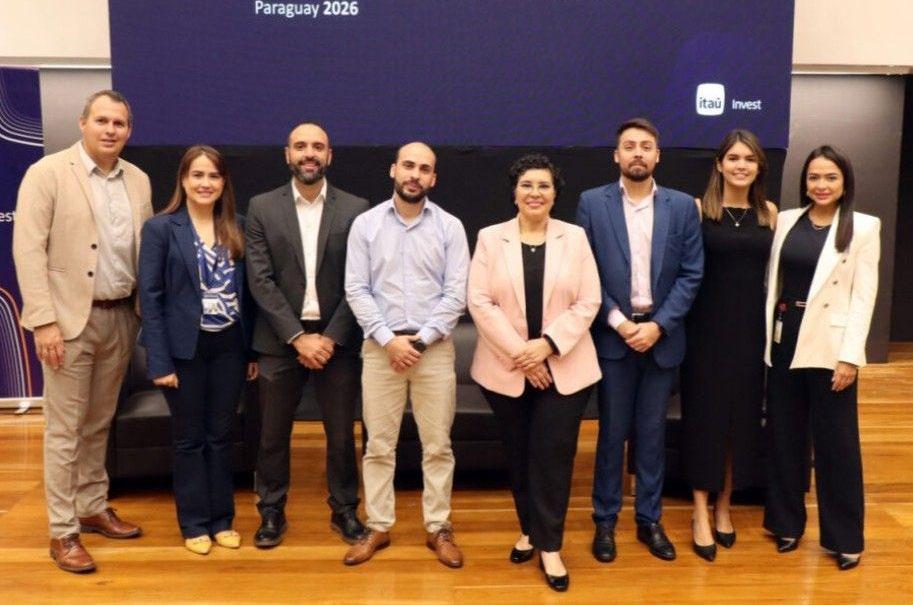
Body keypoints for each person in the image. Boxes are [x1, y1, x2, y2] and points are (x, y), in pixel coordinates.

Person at [12, 90, 151, 573]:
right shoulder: (47, 173)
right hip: (68, 323)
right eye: (102, 121)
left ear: (128, 130)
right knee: (65, 429)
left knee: (98, 422)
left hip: (121, 317)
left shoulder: (138, 179)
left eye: (119, 123)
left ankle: (92, 506)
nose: (111, 130)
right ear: (82, 123)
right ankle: (62, 530)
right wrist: (43, 320)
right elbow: (28, 249)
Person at [468, 154, 601, 592]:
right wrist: (523, 355)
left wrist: (546, 346)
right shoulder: (490, 238)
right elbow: (479, 302)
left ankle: (550, 546)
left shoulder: (575, 238)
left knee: (553, 456)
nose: (535, 193)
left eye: (544, 186)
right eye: (527, 185)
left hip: (565, 367)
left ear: (555, 194)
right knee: (520, 454)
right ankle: (529, 529)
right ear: (514, 192)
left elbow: (589, 301)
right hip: (505, 369)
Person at [576, 117, 703, 563]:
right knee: (611, 434)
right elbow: (584, 270)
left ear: (658, 155)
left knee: (651, 435)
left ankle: (650, 520)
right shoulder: (592, 203)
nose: (637, 153)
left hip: (661, 339)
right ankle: (605, 520)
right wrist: (618, 321)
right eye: (629, 146)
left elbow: (691, 273)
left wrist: (658, 326)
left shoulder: (682, 206)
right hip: (614, 338)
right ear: (616, 155)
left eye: (646, 146)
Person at [343, 142, 470, 568]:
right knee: (378, 446)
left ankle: (438, 527)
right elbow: (356, 288)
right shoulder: (366, 225)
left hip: (433, 351)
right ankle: (378, 525)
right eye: (409, 166)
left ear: (434, 178)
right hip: (381, 350)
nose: (415, 174)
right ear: (393, 170)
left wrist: (420, 340)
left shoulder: (450, 227)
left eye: (425, 169)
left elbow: (456, 293)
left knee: (438, 446)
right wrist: (388, 339)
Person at [245, 122, 370, 547]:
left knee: (341, 434)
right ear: (288, 154)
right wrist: (298, 337)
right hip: (280, 340)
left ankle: (345, 509)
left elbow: (360, 281)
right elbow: (259, 280)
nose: (309, 153)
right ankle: (271, 510)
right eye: (301, 146)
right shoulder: (262, 207)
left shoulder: (356, 209)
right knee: (272, 435)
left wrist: (329, 338)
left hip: (338, 339)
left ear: (330, 155)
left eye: (318, 146)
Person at [763, 145, 880, 571]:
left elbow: (863, 297)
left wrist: (850, 357)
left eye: (831, 177)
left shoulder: (863, 227)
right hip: (784, 338)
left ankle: (844, 538)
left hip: (831, 348)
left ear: (844, 182)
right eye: (814, 177)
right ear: (804, 181)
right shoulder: (786, 220)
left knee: (837, 444)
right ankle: (785, 524)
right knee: (784, 436)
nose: (822, 185)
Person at [138, 145, 257, 554]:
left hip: (229, 347)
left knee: (221, 436)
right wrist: (159, 361)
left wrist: (252, 353)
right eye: (198, 175)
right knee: (189, 439)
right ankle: (193, 524)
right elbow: (151, 298)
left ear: (224, 183)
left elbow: (249, 296)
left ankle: (223, 520)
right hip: (182, 351)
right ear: (184, 180)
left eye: (213, 176)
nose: (206, 183)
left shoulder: (238, 226)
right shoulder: (160, 228)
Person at [679, 130, 777, 561]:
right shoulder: (698, 210)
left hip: (751, 332)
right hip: (704, 332)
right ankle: (700, 509)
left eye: (749, 159)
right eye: (733, 158)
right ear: (719, 164)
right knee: (705, 420)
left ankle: (724, 505)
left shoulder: (771, 213)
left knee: (740, 422)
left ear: (759, 167)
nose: (741, 165)